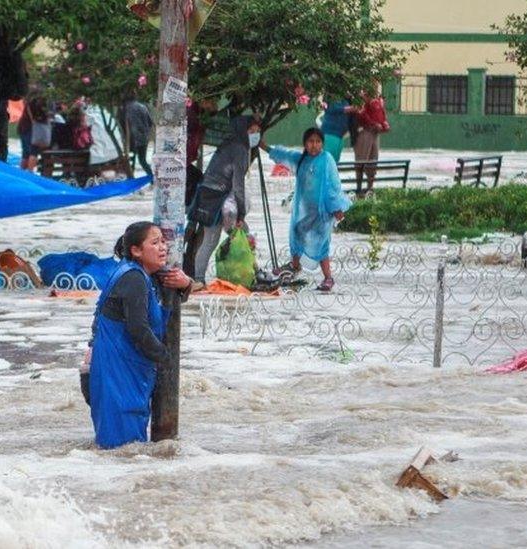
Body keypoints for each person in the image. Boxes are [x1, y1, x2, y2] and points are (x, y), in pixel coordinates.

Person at [84, 222, 193, 449]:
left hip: (124, 372)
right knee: (123, 449)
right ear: (136, 250)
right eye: (155, 243)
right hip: (119, 374)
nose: (163, 247)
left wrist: (186, 284)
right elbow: (138, 329)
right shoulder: (133, 279)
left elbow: (168, 287)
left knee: (127, 449)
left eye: (163, 241)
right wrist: (166, 359)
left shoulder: (140, 273)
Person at [261, 127, 352, 292]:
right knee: (297, 233)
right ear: (305, 143)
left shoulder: (326, 160)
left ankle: (328, 278)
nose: (314, 145)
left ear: (322, 144)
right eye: (311, 141)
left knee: (322, 242)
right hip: (305, 211)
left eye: (318, 142)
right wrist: (263, 146)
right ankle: (295, 267)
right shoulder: (301, 159)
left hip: (323, 211)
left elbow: (333, 185)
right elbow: (284, 155)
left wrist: (336, 208)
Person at [191, 115, 262, 282]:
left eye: (258, 131)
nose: (255, 135)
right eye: (251, 131)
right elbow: (238, 185)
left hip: (208, 196)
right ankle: (250, 274)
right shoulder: (240, 150)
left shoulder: (228, 144)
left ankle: (198, 280)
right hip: (219, 201)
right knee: (241, 236)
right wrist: (242, 214)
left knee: (212, 240)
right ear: (243, 131)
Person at [353, 85, 390, 194]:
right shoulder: (361, 98)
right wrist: (373, 124)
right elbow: (361, 113)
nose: (375, 86)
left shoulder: (378, 99)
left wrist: (384, 123)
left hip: (375, 133)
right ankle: (359, 188)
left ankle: (370, 187)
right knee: (361, 159)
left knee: (373, 159)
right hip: (365, 131)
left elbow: (382, 113)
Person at [120, 97, 154, 176]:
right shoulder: (143, 107)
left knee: (131, 162)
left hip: (132, 139)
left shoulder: (126, 109)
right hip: (143, 139)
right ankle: (152, 178)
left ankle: (133, 181)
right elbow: (150, 123)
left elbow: (126, 126)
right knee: (142, 161)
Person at [320, 96, 355, 162]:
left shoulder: (345, 99)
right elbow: (332, 108)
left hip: (340, 135)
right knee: (328, 160)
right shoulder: (330, 96)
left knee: (335, 161)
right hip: (330, 133)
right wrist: (350, 108)